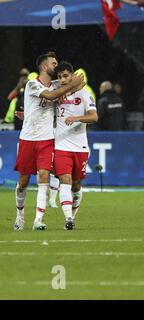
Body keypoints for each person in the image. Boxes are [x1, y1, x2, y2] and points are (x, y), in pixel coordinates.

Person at [13, 52, 85, 231]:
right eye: (54, 63)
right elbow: (52, 96)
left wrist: (72, 85)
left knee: (43, 175)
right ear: (44, 67)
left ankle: (38, 219)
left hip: (46, 139)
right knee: (23, 181)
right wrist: (69, 87)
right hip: (28, 139)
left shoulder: (55, 84)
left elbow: (80, 81)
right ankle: (20, 215)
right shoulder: (32, 84)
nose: (57, 66)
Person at [54, 62, 98, 230]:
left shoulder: (85, 94)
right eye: (59, 77)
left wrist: (77, 118)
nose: (62, 79)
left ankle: (72, 215)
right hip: (61, 145)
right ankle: (68, 219)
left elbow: (94, 117)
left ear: (72, 75)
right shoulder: (57, 93)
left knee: (76, 185)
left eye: (65, 76)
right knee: (65, 180)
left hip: (80, 147)